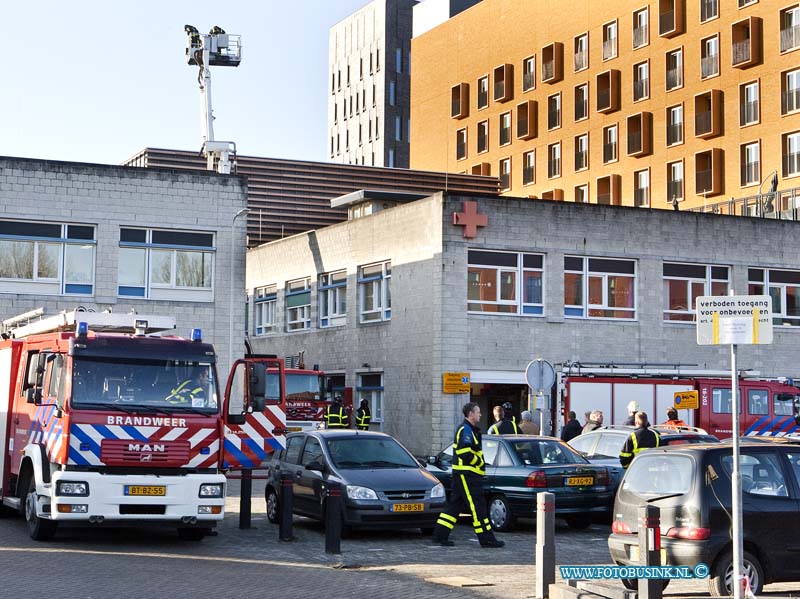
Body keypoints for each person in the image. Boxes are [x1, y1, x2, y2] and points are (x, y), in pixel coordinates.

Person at [432, 402, 504, 548]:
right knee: (478, 506)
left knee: (454, 506)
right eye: (478, 412)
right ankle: (486, 539)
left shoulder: (469, 430)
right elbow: (464, 453)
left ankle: (440, 536)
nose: (480, 414)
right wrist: (479, 462)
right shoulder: (465, 430)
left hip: (465, 475)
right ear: (470, 414)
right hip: (467, 475)